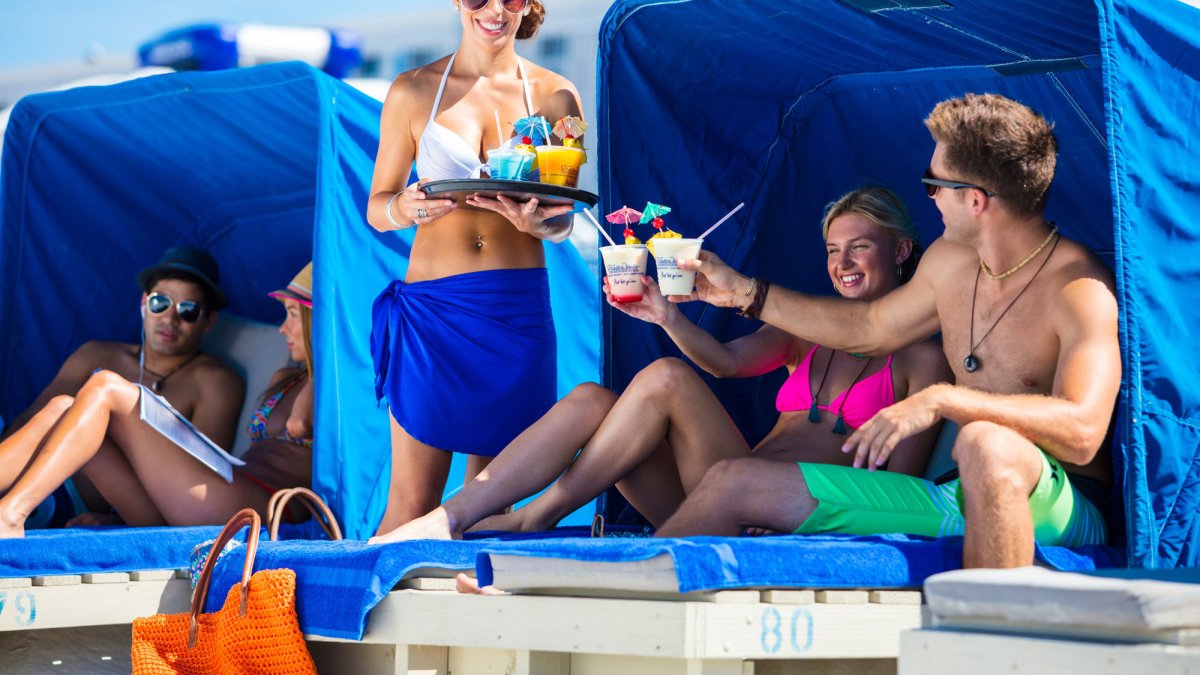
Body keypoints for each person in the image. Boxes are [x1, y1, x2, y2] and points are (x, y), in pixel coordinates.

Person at [655, 94, 1120, 569]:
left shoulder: (1078, 287)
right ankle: (613, 589)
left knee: (988, 442)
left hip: (1058, 500)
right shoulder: (948, 262)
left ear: (975, 200)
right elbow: (868, 328)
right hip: (952, 495)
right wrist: (744, 293)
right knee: (733, 479)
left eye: (933, 184)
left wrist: (944, 400)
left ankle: (982, 634)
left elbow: (1082, 432)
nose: (930, 196)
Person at [371, 187, 952, 543]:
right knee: (594, 400)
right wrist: (666, 316)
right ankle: (458, 515)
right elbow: (724, 363)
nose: (842, 263)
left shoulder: (922, 358)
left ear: (901, 251)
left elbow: (899, 491)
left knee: (668, 379)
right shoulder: (806, 326)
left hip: (796, 512)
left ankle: (531, 520)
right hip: (726, 486)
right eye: (832, 249)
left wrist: (797, 516)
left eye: (859, 246)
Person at [365, 0, 585, 533]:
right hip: (433, 314)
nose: (494, 9)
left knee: (492, 508)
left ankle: (476, 610)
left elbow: (563, 215)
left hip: (517, 314)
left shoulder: (559, 97)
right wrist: (406, 208)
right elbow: (377, 206)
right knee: (412, 504)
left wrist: (537, 226)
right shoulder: (412, 89)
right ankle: (357, 608)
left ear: (529, 6)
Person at [0, 262, 318, 537]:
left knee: (107, 386)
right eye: (160, 303)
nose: (282, 329)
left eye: (292, 315)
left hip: (252, 503)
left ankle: (11, 515)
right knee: (63, 407)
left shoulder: (330, 388)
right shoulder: (283, 379)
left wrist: (325, 354)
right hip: (204, 494)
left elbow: (299, 423)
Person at [1, 246, 244, 523]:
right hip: (24, 471)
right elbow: (30, 420)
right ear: (144, 303)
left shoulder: (214, 383)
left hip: (79, 499)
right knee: (60, 407)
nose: (170, 318)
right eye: (160, 302)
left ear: (209, 321)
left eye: (188, 310)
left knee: (69, 407)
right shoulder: (97, 354)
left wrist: (117, 520)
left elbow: (198, 485)